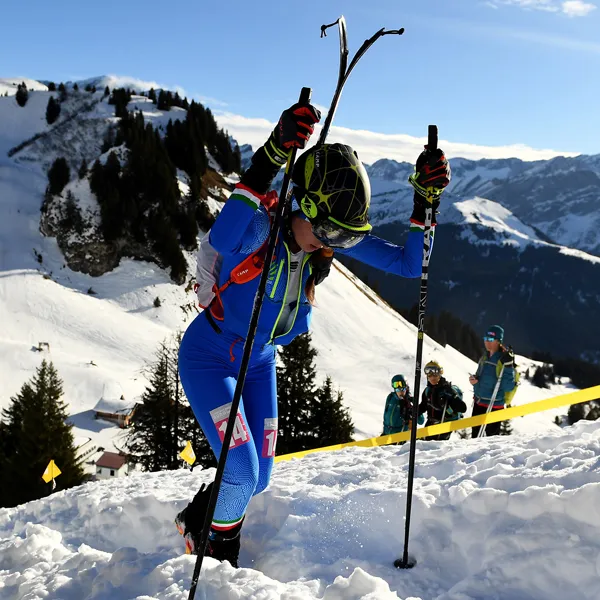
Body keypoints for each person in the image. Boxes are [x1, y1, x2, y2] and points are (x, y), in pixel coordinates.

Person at [176, 99, 451, 567]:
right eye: (329, 233)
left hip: (259, 358)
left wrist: (424, 203)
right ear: (302, 205)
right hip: (209, 354)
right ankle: (215, 551)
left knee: (259, 476)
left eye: (344, 238)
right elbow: (222, 238)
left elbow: (409, 265)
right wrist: (270, 156)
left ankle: (198, 518)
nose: (334, 245)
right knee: (241, 472)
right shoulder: (260, 227)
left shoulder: (327, 231)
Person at [469, 325, 516, 438]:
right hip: (479, 402)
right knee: (475, 438)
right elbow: (481, 375)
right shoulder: (485, 356)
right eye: (485, 339)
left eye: (490, 340)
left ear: (498, 341)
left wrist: (509, 366)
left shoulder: (504, 359)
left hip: (494, 405)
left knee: (491, 439)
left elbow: (509, 386)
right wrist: (475, 380)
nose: (487, 342)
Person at [418, 360, 466, 441]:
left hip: (444, 425)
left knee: (432, 450)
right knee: (423, 447)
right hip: (430, 424)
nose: (432, 377)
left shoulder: (447, 390)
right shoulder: (427, 391)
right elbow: (423, 406)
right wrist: (413, 411)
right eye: (429, 375)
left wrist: (451, 399)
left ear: (440, 374)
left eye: (435, 375)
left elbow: (463, 408)